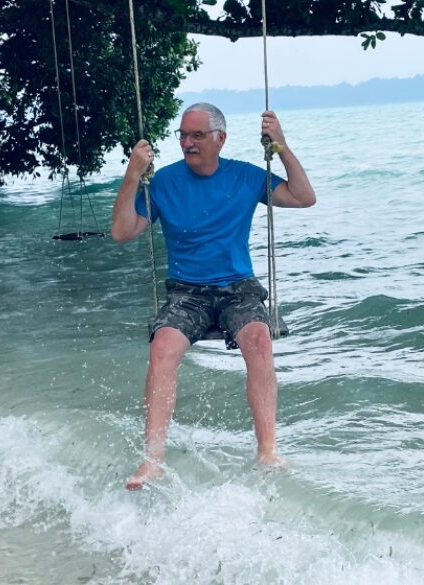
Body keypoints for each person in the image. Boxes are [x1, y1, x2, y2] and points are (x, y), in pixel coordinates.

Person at [111, 102, 316, 491]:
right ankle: (152, 460)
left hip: (238, 288)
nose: (187, 143)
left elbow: (305, 197)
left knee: (259, 341)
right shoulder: (165, 182)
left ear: (220, 139)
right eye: (183, 135)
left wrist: (282, 147)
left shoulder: (244, 176)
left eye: (197, 136)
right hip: (186, 293)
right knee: (162, 348)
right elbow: (122, 232)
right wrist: (132, 176)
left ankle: (267, 450)